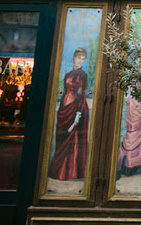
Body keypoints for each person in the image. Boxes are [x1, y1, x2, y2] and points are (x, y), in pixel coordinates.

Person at [49, 47, 90, 180]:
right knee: (62, 137)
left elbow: (82, 94)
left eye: (83, 59)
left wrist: (78, 114)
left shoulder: (83, 75)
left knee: (74, 139)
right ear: (74, 57)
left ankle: (70, 171)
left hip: (76, 107)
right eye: (79, 58)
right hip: (64, 107)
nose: (80, 61)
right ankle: (59, 169)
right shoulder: (68, 74)